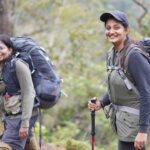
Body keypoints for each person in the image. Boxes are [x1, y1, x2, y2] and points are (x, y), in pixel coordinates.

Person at [88, 10, 150, 150]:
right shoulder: (112, 54)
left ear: (126, 30)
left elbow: (147, 93)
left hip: (135, 126)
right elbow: (120, 86)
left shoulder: (134, 56)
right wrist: (101, 102)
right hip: (123, 123)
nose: (111, 31)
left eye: (116, 27)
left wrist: (142, 131)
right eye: (108, 28)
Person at [0, 34, 39, 150]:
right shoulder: (2, 68)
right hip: (10, 117)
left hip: (22, 116)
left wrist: (25, 124)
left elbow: (29, 93)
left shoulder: (18, 65)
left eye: (1, 48)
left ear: (10, 49)